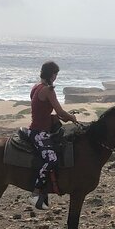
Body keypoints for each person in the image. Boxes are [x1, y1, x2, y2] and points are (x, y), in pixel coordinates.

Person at [28, 61, 77, 210]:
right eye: (55, 74)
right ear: (52, 74)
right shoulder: (49, 90)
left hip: (37, 128)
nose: (56, 77)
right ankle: (36, 192)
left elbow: (42, 110)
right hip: (40, 132)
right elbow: (61, 112)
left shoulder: (36, 87)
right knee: (51, 159)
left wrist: (57, 117)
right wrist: (71, 118)